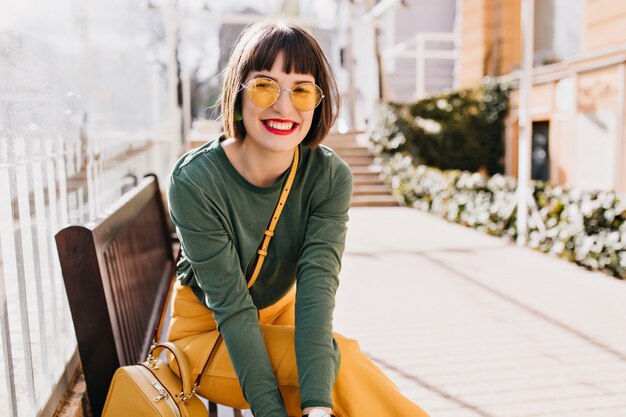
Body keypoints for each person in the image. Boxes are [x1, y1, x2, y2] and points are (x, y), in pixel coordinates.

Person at [166, 21, 430, 417]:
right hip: (207, 339)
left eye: (302, 90)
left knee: (329, 378)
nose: (284, 107)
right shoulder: (196, 181)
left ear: (318, 102)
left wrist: (317, 406)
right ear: (237, 94)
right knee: (343, 370)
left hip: (282, 315)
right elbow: (233, 310)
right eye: (264, 85)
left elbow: (316, 296)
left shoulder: (329, 177)